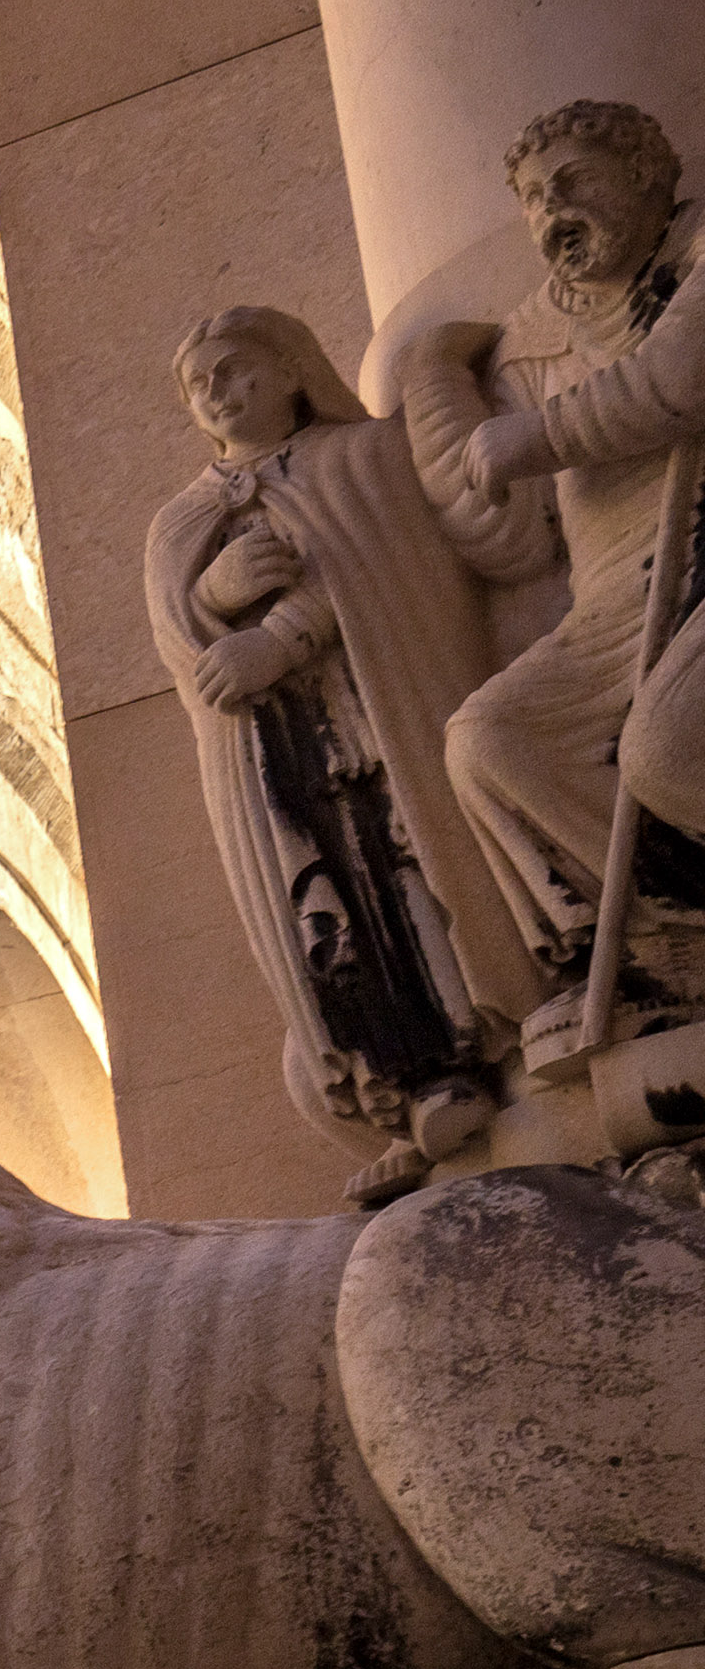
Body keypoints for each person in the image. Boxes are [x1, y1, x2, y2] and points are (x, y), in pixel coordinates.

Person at [148, 306, 523, 1192]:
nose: (220, 394)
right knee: (331, 904)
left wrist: (280, 634)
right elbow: (178, 636)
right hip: (276, 756)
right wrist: (213, 592)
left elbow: (383, 573)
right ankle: (399, 1088)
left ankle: (472, 1053)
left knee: (405, 869)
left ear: (291, 371)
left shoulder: (358, 460)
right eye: (201, 387)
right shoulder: (182, 520)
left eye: (238, 370)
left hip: (375, 719)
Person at [400, 102, 705, 1041]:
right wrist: (432, 379)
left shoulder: (697, 256)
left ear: (649, 174)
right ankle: (659, 943)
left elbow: (676, 385)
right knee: (489, 737)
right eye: (534, 199)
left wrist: (533, 435)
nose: (551, 212)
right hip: (613, 604)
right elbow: (507, 542)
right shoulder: (537, 336)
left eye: (574, 182)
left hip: (698, 566)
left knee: (666, 752)